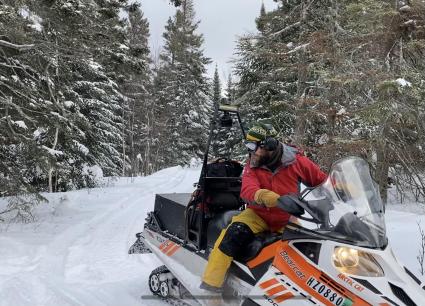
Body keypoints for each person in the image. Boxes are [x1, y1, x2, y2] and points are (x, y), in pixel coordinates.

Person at [200, 120, 327, 292]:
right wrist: (270, 197)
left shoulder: (297, 162)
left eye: (254, 146)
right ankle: (211, 287)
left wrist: (344, 189)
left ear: (270, 145)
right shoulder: (253, 164)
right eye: (249, 146)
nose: (251, 152)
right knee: (230, 237)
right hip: (257, 215)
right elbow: (247, 190)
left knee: (308, 250)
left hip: (286, 219)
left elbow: (322, 181)